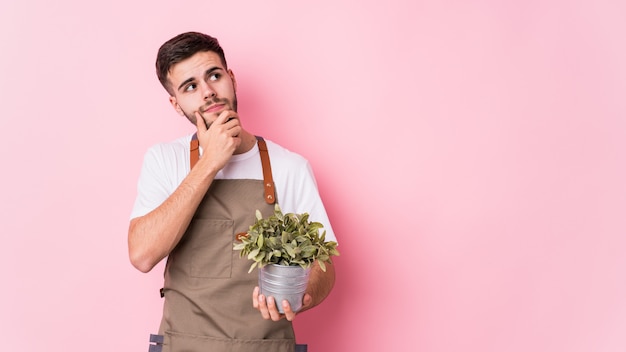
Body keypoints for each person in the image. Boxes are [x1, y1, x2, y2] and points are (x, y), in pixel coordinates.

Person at [127, 32, 337, 352]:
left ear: (231, 79)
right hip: (183, 345)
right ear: (175, 103)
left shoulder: (289, 166)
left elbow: (324, 264)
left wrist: (302, 295)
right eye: (191, 86)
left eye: (214, 76)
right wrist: (209, 163)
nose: (208, 92)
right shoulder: (164, 160)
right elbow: (142, 255)